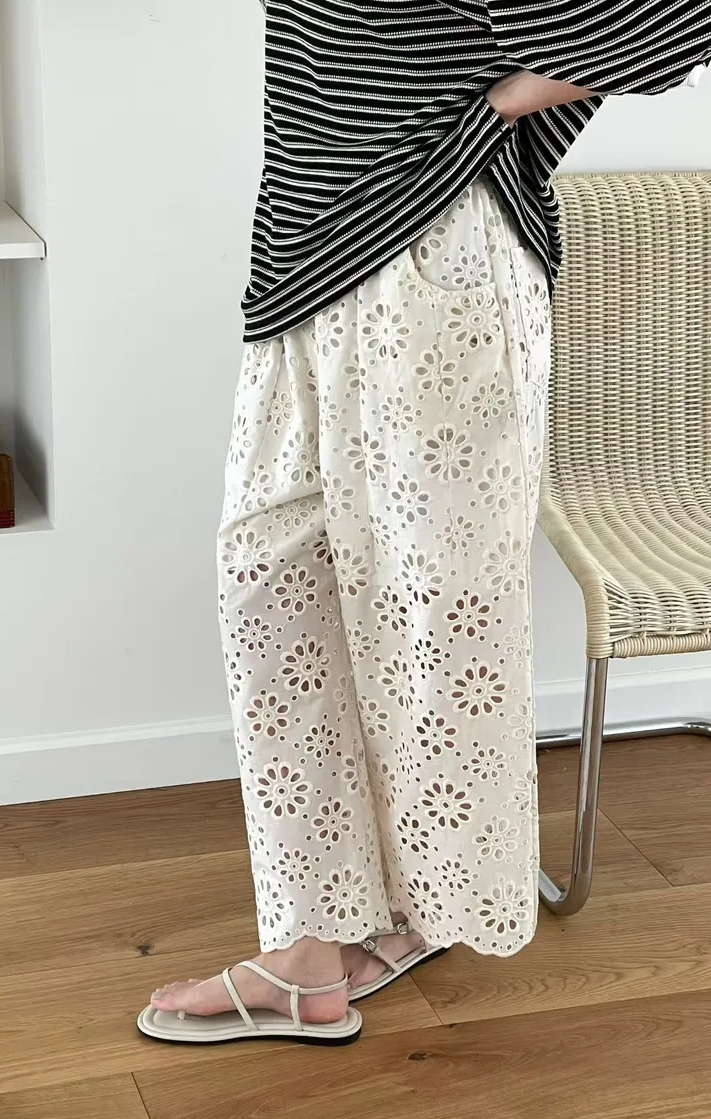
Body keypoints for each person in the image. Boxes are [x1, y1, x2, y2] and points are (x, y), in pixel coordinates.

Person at [139, 1, 711, 1046]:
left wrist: (506, 104)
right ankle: (316, 945)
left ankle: (396, 922)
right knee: (274, 592)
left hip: (436, 263)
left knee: (430, 620)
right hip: (305, 262)